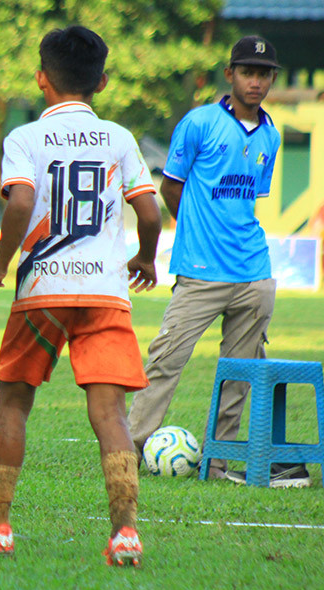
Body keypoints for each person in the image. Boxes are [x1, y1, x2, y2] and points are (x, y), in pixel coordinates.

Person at [0, 26, 162, 566]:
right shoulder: (118, 137)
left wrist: (0, 265)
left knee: (15, 400)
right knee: (110, 411)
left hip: (43, 290)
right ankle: (125, 534)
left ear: (42, 79)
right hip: (104, 291)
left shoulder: (25, 138)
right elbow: (149, 211)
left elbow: (21, 204)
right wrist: (144, 257)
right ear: (103, 80)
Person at [125, 36, 298, 487]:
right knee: (165, 359)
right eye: (247, 72)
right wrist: (197, 232)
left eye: (263, 74)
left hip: (254, 273)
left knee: (240, 374)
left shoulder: (270, 135)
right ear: (230, 75)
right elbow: (171, 186)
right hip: (200, 273)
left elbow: (246, 202)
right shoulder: (199, 123)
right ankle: (128, 452)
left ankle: (217, 462)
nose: (256, 81)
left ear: (271, 79)